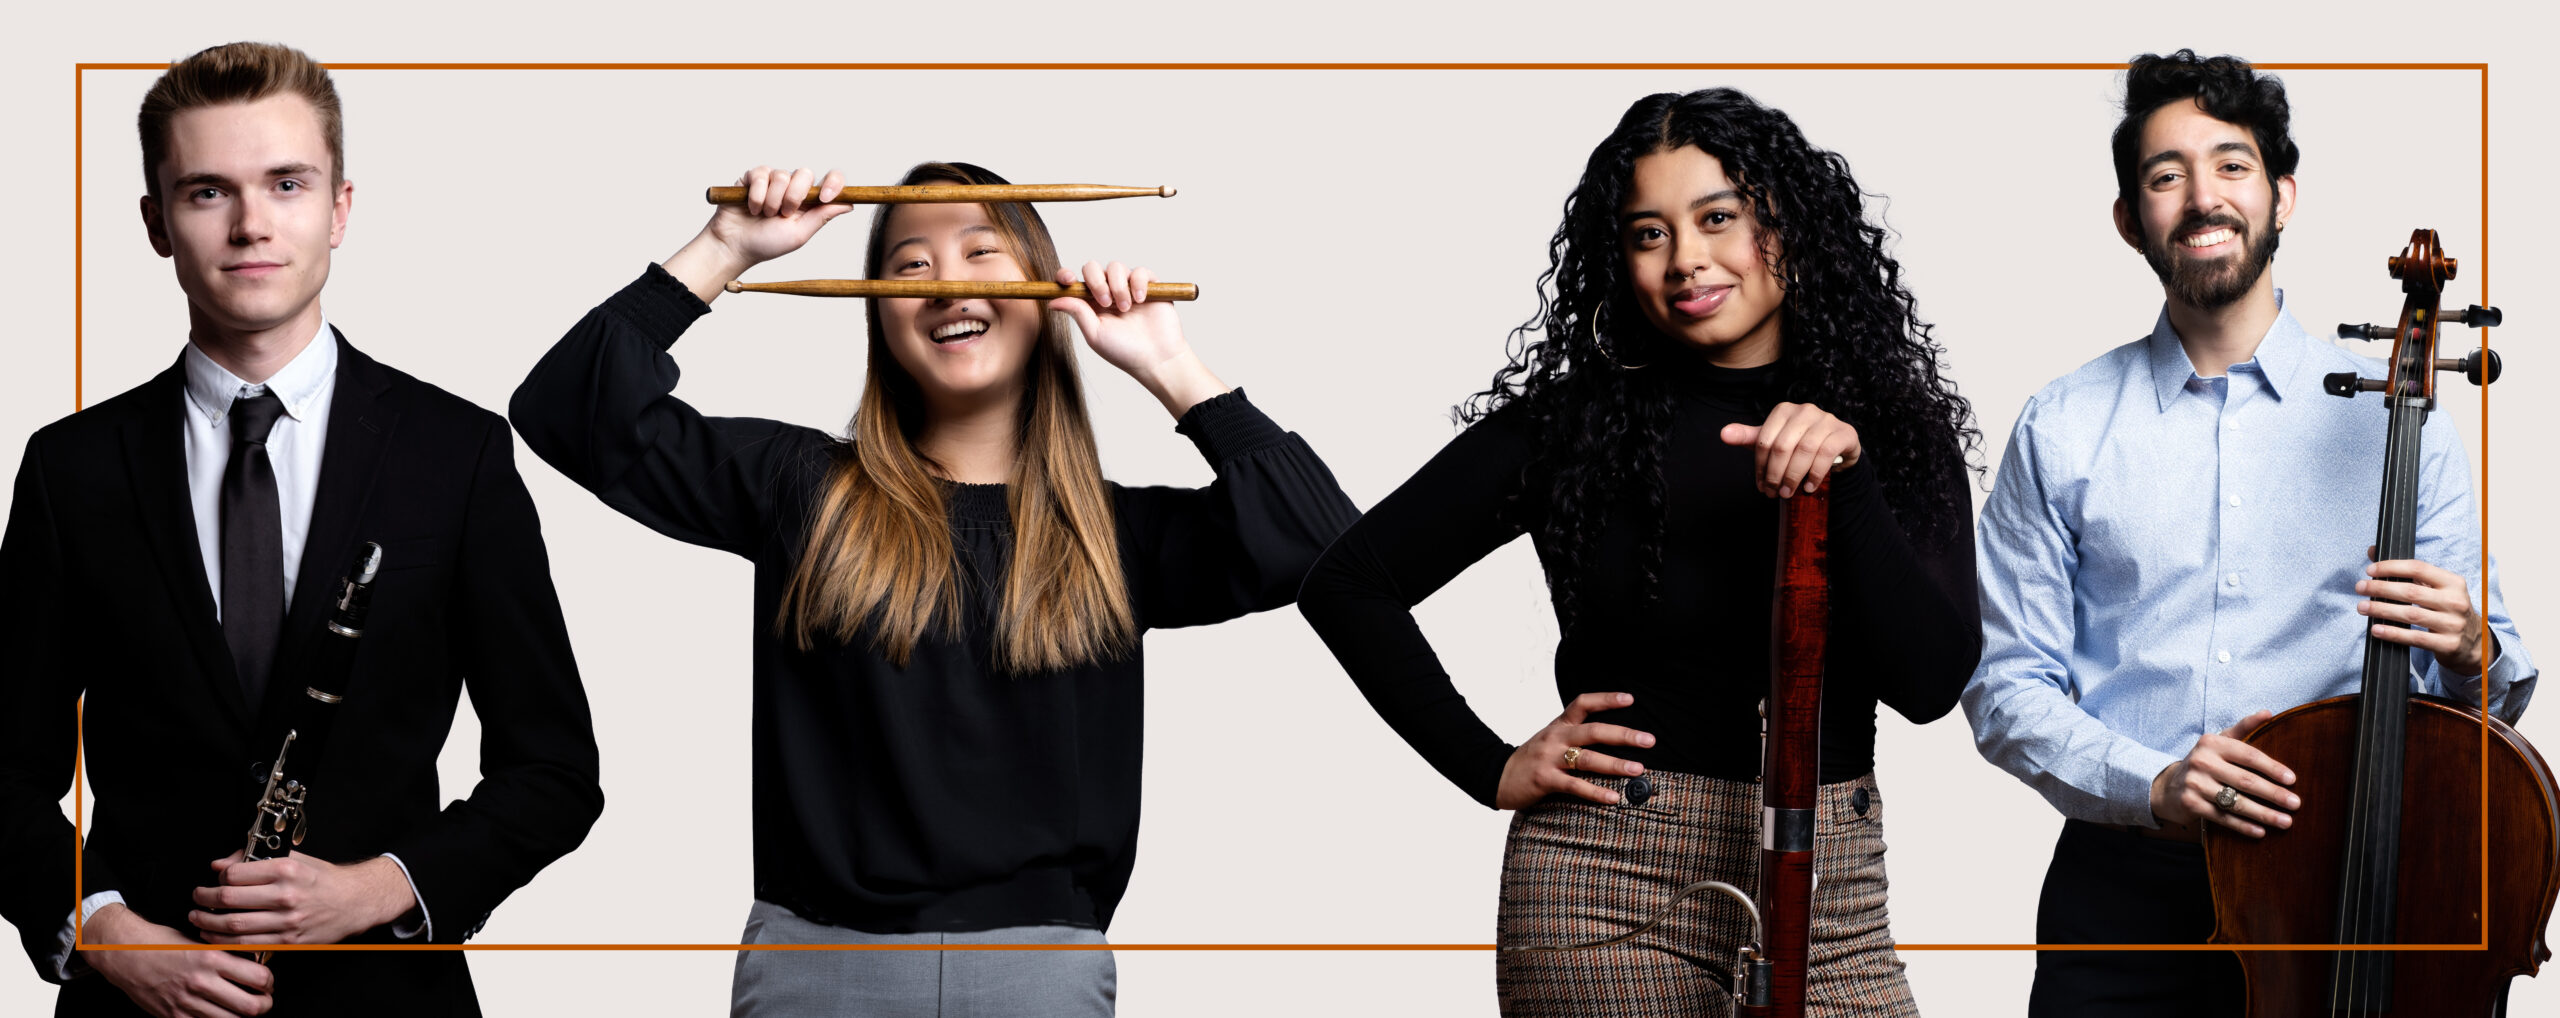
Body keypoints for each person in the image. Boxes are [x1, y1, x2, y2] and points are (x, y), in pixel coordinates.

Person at [510, 160, 1356, 1015]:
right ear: (878, 311)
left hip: (1041, 975)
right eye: (910, 264)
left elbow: (1331, 551)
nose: (947, 280)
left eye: (981, 250)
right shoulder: (803, 490)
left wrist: (1172, 367)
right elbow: (565, 409)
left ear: (1044, 289)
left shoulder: (1114, 536)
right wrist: (724, 246)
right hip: (820, 968)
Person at [1296, 88, 1981, 1017]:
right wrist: (1487, 763)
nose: (1687, 260)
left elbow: (1932, 684)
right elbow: (1349, 583)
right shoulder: (1573, 426)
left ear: (1788, 222)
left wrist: (1846, 477)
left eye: (1719, 218)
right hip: (1610, 883)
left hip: (1832, 886)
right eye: (1648, 234)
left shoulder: (1891, 432)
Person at [0, 41, 605, 1018]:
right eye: (206, 192)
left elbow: (554, 771)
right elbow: (2, 777)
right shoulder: (72, 470)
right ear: (156, 223)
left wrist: (376, 887)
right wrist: (105, 927)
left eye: (286, 183)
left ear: (341, 207)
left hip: (386, 997)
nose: (250, 225)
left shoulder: (458, 455)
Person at [1961, 49, 2537, 1017]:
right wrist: (2154, 781)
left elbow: (2487, 693)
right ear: (2127, 217)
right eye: (2163, 174)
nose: (2201, 197)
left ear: (2282, 195)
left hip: (2344, 886)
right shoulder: (2060, 425)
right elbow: (2003, 685)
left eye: (2231, 165)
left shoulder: (2399, 422)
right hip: (2126, 898)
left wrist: (2470, 643)